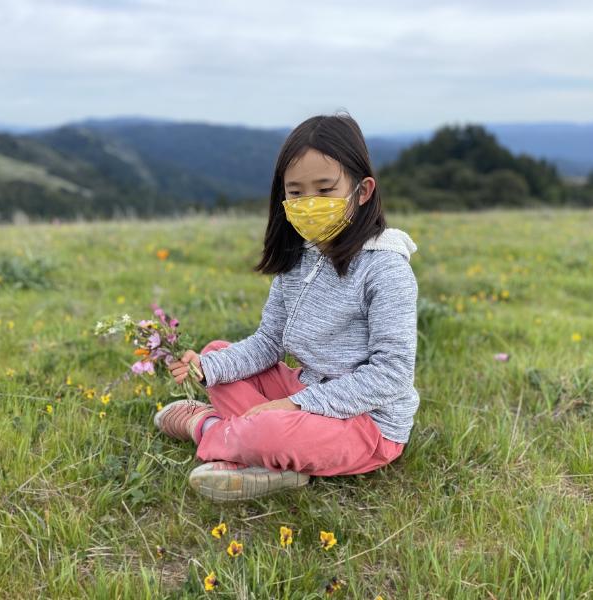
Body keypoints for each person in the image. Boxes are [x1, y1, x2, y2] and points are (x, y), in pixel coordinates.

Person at [155, 112, 420, 502]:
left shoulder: (384, 269)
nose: (309, 202)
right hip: (307, 391)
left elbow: (392, 374)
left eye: (325, 190)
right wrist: (205, 368)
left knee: (269, 430)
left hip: (365, 423)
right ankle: (273, 462)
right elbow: (267, 344)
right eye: (296, 193)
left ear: (362, 191)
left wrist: (291, 404)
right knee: (218, 356)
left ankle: (208, 428)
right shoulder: (301, 258)